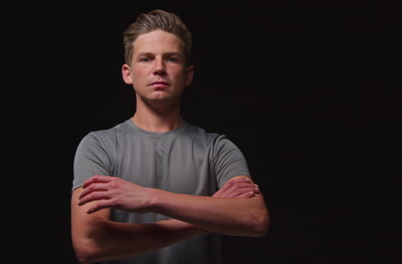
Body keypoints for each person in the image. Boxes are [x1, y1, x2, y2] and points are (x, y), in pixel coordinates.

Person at [71, 9, 269, 264]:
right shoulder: (99, 146)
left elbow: (255, 219)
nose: (159, 68)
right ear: (127, 73)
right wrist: (205, 218)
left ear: (188, 74)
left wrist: (150, 198)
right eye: (146, 58)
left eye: (172, 59)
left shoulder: (218, 149)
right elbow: (89, 245)